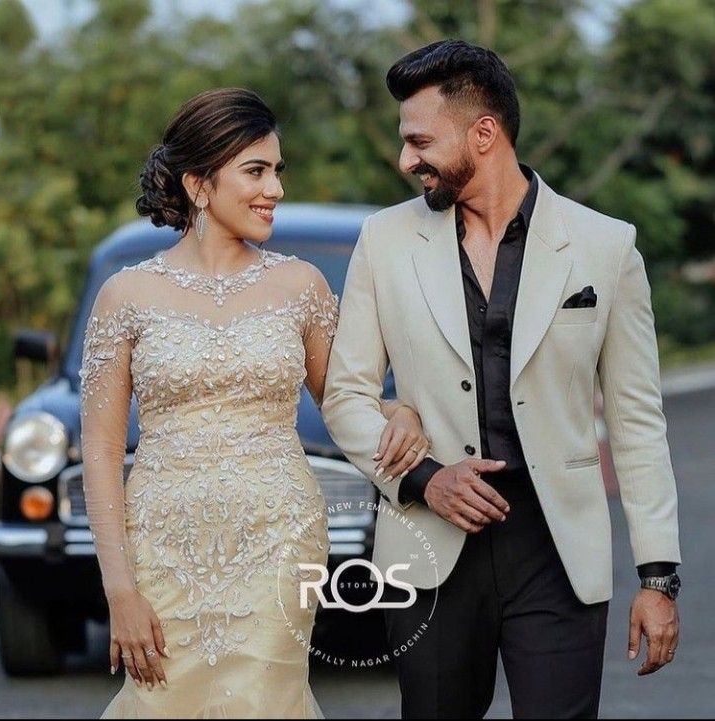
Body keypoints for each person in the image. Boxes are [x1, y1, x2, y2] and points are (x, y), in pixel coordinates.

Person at [322, 41, 681, 719]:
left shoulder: (605, 246)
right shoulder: (384, 240)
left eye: (419, 141)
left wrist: (656, 575)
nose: (406, 160)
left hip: (555, 550)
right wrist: (427, 476)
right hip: (427, 544)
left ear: (483, 134)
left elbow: (636, 423)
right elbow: (345, 394)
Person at [79, 87, 428, 719]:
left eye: (277, 172)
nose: (275, 190)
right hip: (162, 542)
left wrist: (398, 413)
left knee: (264, 700)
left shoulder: (301, 286)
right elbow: (101, 451)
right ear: (198, 184)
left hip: (278, 537)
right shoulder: (124, 295)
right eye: (256, 171)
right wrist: (119, 588)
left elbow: (347, 403)